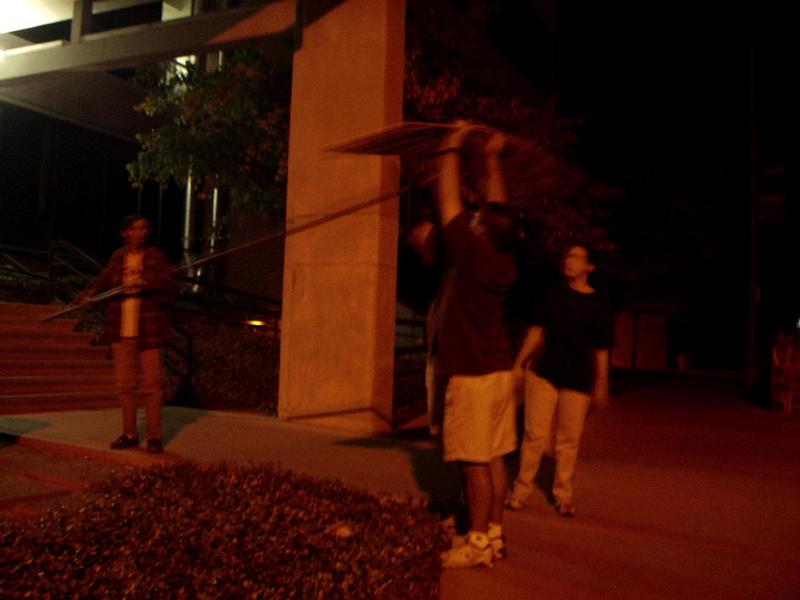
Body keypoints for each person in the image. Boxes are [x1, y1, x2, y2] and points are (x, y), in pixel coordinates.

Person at [436, 125, 521, 569]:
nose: (471, 215)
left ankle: (476, 544)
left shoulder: (472, 253)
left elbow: (448, 200)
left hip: (472, 374)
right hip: (501, 371)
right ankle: (495, 534)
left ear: (483, 229)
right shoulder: (504, 257)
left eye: (478, 217)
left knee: (473, 463)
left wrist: (451, 145)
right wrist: (491, 158)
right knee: (495, 459)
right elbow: (499, 208)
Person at [506, 244, 613, 516]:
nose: (569, 260)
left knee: (568, 440)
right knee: (534, 435)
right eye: (568, 255)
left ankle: (563, 494)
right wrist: (519, 364)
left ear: (589, 267)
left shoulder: (599, 304)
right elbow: (537, 331)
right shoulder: (552, 294)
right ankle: (520, 490)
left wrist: (601, 384)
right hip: (544, 372)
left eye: (577, 257)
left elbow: (601, 349)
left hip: (578, 378)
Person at [80, 215, 175, 454]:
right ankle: (130, 433)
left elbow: (171, 288)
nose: (142, 232)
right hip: (122, 329)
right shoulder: (118, 257)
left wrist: (148, 284)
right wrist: (89, 294)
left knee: (152, 385)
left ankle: (154, 436)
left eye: (145, 228)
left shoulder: (156, 256)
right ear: (126, 232)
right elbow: (103, 280)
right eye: (137, 228)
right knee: (125, 385)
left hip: (149, 330)